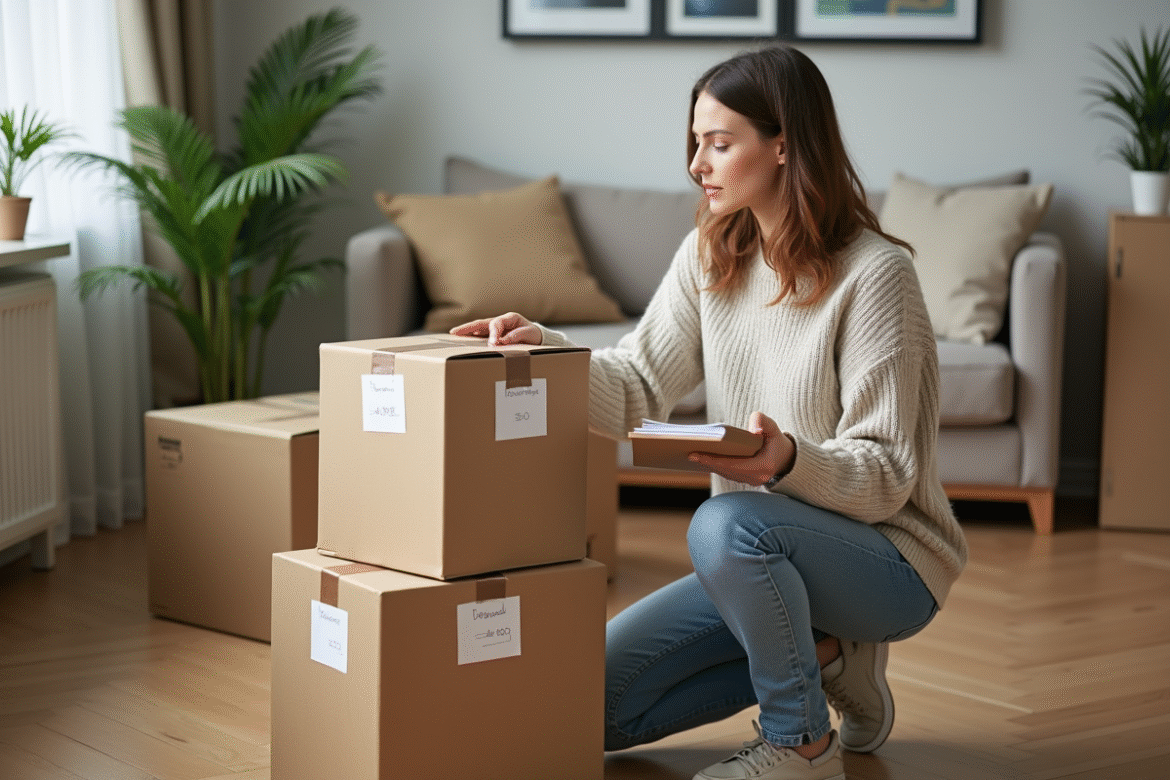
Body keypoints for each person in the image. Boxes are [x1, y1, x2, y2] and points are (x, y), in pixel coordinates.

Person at [452, 44, 968, 780]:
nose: (698, 163)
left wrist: (787, 459)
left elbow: (888, 476)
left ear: (784, 143)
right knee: (584, 704)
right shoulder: (710, 256)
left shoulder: (878, 275)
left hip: (888, 562)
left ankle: (800, 743)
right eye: (696, 142)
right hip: (758, 561)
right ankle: (828, 662)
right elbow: (633, 384)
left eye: (719, 143)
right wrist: (545, 351)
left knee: (726, 522)